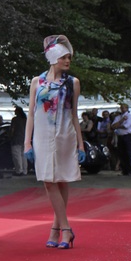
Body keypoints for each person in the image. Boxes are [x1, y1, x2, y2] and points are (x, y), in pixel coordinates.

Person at [24, 34, 85, 249]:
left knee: (61, 179)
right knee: (48, 181)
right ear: (52, 58)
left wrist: (80, 144)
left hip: (64, 136)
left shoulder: (73, 83)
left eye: (69, 57)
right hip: (41, 136)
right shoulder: (37, 82)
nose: (67, 61)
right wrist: (27, 144)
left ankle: (56, 229)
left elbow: (74, 114)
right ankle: (65, 229)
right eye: (63, 57)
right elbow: (31, 114)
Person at [109, 103, 131, 176]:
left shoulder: (130, 116)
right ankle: (124, 170)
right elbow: (113, 126)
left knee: (128, 153)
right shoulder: (118, 117)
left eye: (124, 108)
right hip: (120, 136)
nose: (122, 109)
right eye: (121, 108)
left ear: (127, 108)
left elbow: (126, 126)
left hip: (127, 135)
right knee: (121, 153)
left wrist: (118, 126)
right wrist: (121, 121)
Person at [9, 105, 28, 175]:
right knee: (23, 155)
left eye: (15, 110)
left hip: (16, 139)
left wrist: (10, 136)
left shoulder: (15, 119)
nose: (14, 111)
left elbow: (12, 129)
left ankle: (19, 170)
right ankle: (24, 170)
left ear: (17, 112)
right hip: (24, 139)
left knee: (17, 155)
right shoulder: (25, 119)